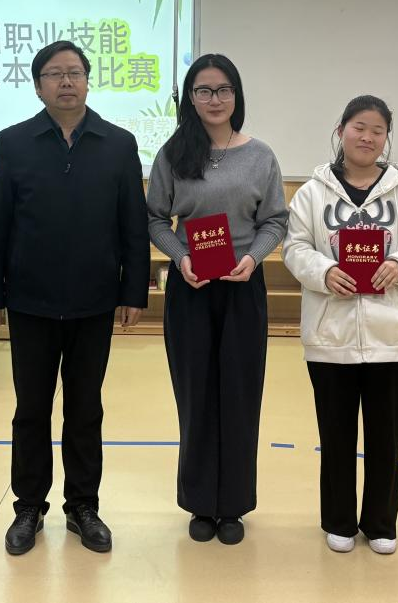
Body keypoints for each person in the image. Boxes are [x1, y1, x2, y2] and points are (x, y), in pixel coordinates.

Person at [0, 40, 150, 556]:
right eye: (55, 74)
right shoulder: (14, 142)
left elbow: (132, 225)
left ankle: (83, 507)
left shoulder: (118, 144)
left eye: (75, 72)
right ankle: (28, 507)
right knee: (30, 409)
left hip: (94, 301)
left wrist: (133, 290)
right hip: (29, 300)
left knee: (85, 409)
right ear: (38, 87)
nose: (66, 82)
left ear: (88, 81)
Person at [282, 95, 398, 555]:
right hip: (330, 336)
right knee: (335, 435)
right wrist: (324, 271)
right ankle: (338, 520)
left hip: (392, 337)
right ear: (341, 131)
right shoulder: (312, 193)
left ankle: (381, 523)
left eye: (377, 130)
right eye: (359, 127)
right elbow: (295, 247)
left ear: (386, 138)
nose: (367, 137)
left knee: (387, 437)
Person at [147, 54, 288, 546]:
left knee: (240, 396)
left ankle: (233, 506)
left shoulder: (260, 156)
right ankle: (200, 504)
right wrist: (180, 257)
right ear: (190, 97)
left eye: (223, 89)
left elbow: (275, 221)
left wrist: (254, 258)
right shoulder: (173, 154)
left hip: (242, 286)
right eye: (204, 90)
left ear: (236, 95)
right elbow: (155, 219)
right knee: (196, 396)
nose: (214, 99)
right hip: (191, 288)